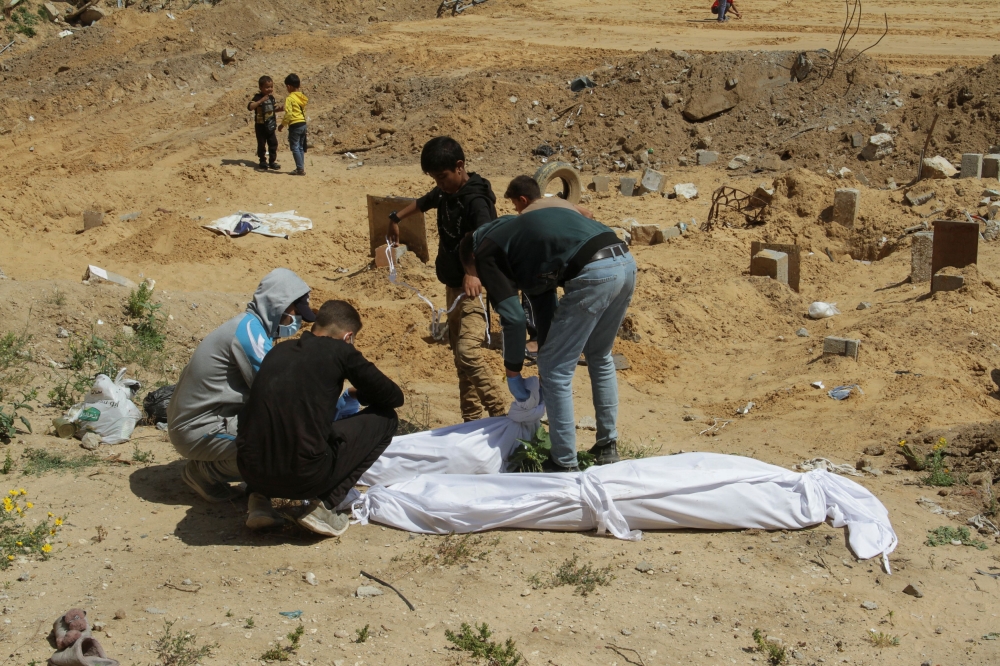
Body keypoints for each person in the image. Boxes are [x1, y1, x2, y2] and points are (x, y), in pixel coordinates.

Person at [459, 207, 636, 472]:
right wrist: (545, 344)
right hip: (624, 261)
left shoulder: (485, 251)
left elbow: (514, 318)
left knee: (554, 370)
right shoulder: (518, 238)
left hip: (594, 272)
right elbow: (542, 300)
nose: (486, 281)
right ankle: (607, 445)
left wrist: (513, 371)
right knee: (599, 355)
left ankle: (563, 463)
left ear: (472, 257)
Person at [236, 300, 403, 536]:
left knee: (272, 419)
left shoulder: (278, 351)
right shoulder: (342, 351)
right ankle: (324, 505)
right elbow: (393, 397)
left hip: (250, 470)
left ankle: (259, 501)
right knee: (387, 419)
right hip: (304, 477)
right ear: (348, 337)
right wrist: (361, 393)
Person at [166, 268, 315, 503]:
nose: (296, 322)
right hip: (197, 430)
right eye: (295, 314)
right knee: (282, 449)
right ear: (279, 306)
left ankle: (224, 465)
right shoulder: (248, 335)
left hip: (199, 422)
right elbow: (278, 393)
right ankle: (206, 472)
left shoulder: (249, 327)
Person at [387, 136, 507, 422]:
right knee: (459, 359)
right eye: (434, 178)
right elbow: (422, 202)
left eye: (442, 177)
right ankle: (472, 419)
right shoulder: (444, 192)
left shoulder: (476, 200)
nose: (439, 183)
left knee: (468, 353)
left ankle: (501, 413)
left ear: (459, 166)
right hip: (452, 288)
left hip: (473, 288)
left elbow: (485, 240)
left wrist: (472, 273)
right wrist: (395, 218)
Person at [503, 175, 595, 360]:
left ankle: (538, 339)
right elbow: (589, 215)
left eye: (515, 204)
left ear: (523, 199)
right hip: (591, 256)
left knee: (533, 283)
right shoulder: (558, 202)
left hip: (566, 262)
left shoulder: (528, 214)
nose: (516, 209)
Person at [247, 75, 280, 171]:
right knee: (261, 144)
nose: (270, 89)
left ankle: (272, 162)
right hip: (260, 126)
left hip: (270, 125)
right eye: (267, 87)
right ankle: (262, 161)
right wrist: (260, 101)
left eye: (271, 87)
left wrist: (281, 108)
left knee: (273, 143)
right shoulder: (257, 97)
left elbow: (274, 108)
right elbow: (250, 107)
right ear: (261, 88)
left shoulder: (271, 98)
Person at [278, 73, 308, 176]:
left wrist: (282, 124)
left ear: (288, 86)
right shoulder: (301, 97)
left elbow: (289, 114)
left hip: (295, 125)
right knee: (300, 147)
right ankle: (301, 167)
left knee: (295, 147)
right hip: (303, 123)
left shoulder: (290, 98)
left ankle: (300, 169)